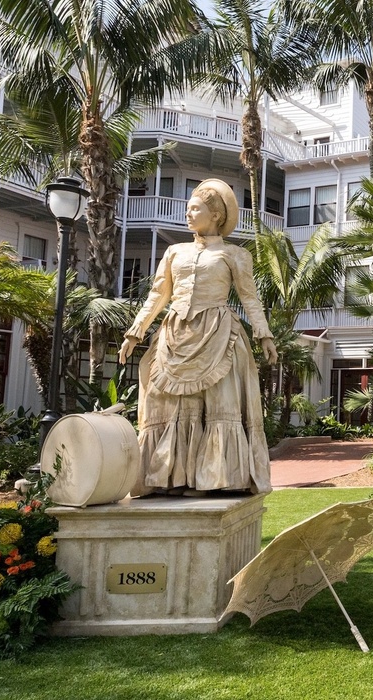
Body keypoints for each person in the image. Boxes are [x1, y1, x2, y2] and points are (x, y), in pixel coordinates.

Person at [119, 179, 278, 496]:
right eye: (188, 208)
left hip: (218, 335)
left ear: (216, 214)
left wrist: (264, 334)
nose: (188, 214)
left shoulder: (234, 254)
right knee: (170, 405)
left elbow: (250, 298)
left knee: (216, 405)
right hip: (175, 334)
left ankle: (212, 479)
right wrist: (135, 332)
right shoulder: (174, 251)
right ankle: (168, 478)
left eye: (196, 208)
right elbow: (157, 295)